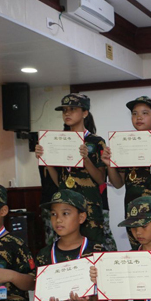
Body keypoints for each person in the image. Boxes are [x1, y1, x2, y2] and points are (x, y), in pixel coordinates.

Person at [35, 93, 115, 249]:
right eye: (64, 110)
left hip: (89, 207)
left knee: (92, 250)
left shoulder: (96, 142)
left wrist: (86, 159)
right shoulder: (58, 141)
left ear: (85, 113)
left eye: (72, 109)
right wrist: (46, 161)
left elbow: (100, 179)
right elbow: (59, 181)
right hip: (65, 206)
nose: (67, 113)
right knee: (68, 250)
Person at [102, 96, 151, 249]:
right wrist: (110, 165)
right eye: (134, 113)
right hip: (133, 212)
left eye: (145, 113)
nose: (139, 117)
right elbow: (118, 183)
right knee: (139, 254)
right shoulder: (123, 143)